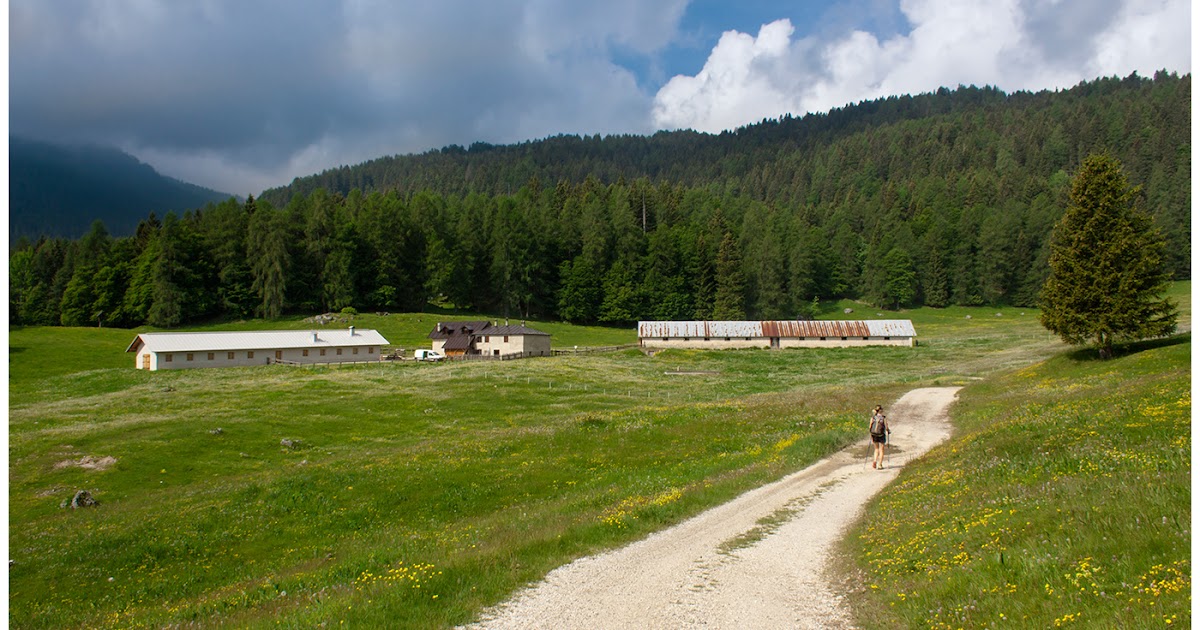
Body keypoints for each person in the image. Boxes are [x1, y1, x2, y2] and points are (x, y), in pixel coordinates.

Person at [869, 405, 890, 469]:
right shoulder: (884, 418)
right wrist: (888, 431)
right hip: (881, 435)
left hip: (874, 434)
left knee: (876, 449)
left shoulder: (873, 417)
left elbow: (870, 426)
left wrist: (871, 433)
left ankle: (874, 461)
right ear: (881, 410)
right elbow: (886, 427)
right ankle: (880, 465)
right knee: (881, 450)